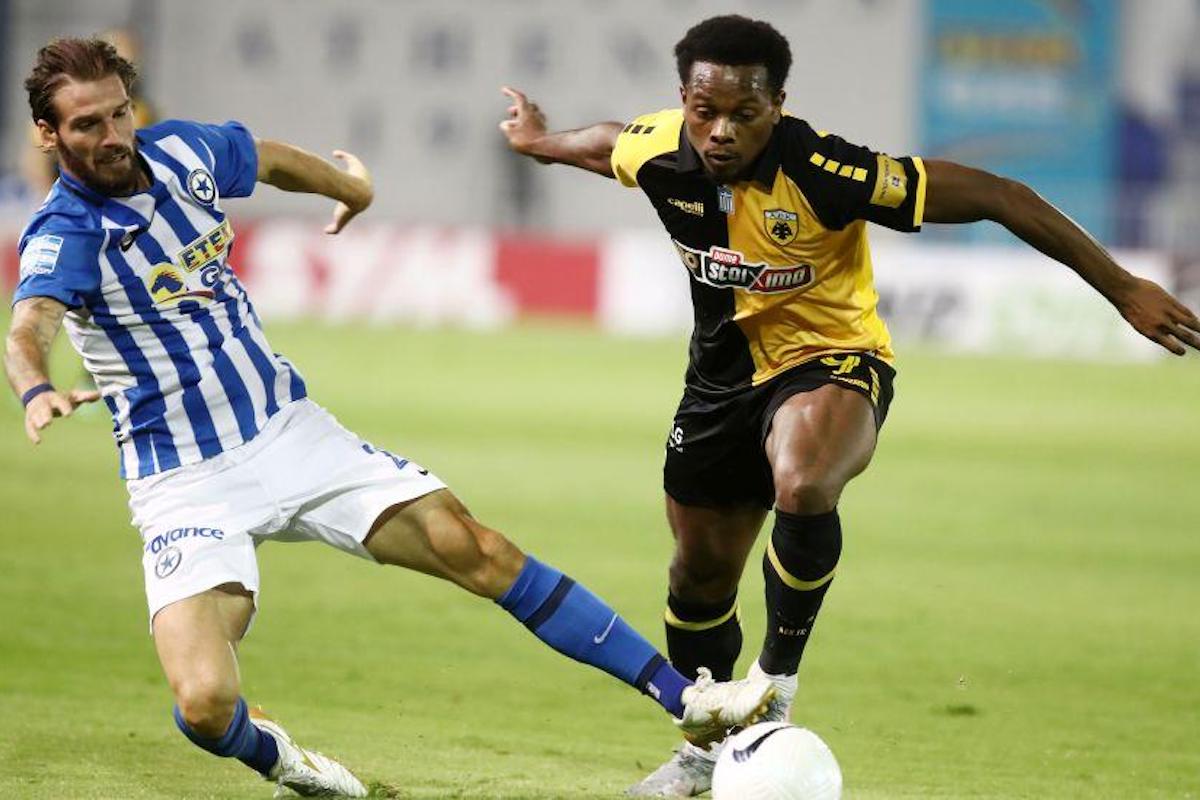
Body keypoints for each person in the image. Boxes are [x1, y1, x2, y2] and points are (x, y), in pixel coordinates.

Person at [4, 37, 777, 798]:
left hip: (288, 434)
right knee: (205, 705)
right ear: (48, 134)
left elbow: (266, 157)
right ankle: (289, 766)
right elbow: (29, 324)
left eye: (117, 116)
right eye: (85, 126)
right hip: (181, 483)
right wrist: (38, 389)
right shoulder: (65, 234)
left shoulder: (182, 154)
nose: (111, 138)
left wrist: (349, 190)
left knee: (476, 546)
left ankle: (687, 700)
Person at [499, 14, 1200, 797]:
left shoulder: (830, 169)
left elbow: (1002, 194)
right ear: (684, 100)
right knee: (697, 577)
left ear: (779, 104)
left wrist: (1122, 286)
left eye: (745, 113)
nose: (722, 131)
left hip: (834, 359)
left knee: (802, 482)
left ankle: (778, 679)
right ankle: (706, 747)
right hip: (718, 383)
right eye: (706, 111)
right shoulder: (661, 147)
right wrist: (540, 141)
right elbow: (606, 145)